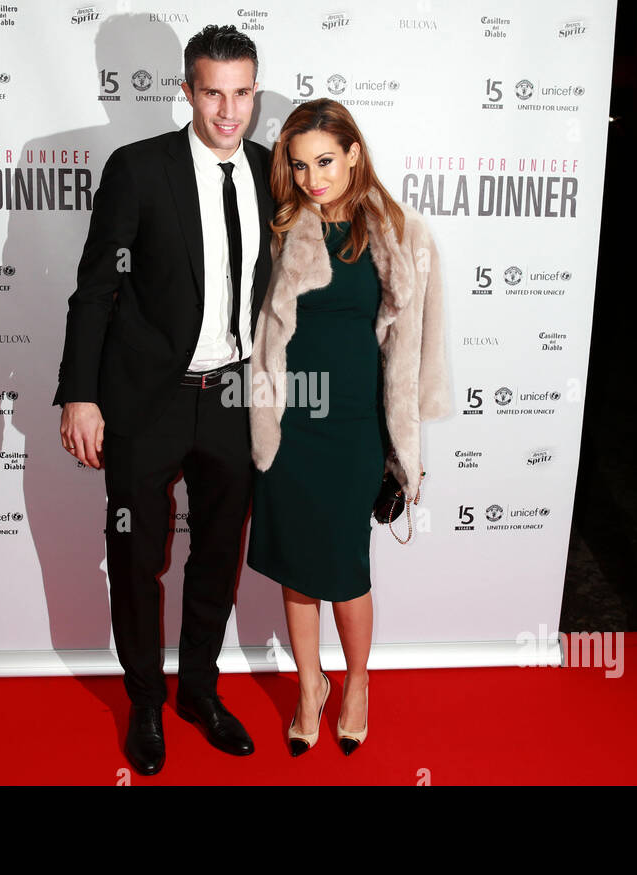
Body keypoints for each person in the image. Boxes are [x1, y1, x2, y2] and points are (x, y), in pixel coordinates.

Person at [54, 25, 273, 776]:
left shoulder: (273, 172)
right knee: (137, 556)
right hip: (146, 401)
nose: (228, 110)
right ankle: (146, 701)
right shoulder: (138, 170)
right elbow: (95, 289)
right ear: (186, 91)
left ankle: (200, 692)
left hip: (234, 397)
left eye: (243, 93)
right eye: (213, 91)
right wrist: (79, 393)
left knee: (217, 556)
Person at [247, 98, 451, 756]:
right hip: (289, 424)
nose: (313, 177)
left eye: (326, 161)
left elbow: (420, 346)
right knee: (296, 568)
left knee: (346, 569)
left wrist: (407, 443)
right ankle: (310, 686)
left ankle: (357, 681)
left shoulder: (399, 233)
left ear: (354, 154)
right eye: (301, 165)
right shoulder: (281, 226)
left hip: (356, 428)